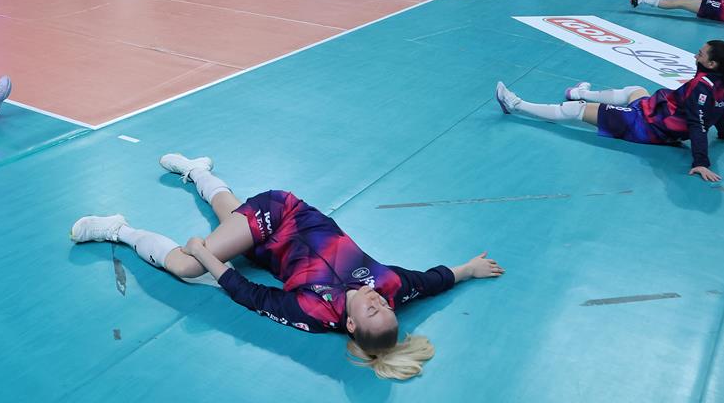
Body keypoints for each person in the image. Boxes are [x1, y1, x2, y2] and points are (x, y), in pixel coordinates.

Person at [70, 155, 503, 380]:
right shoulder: (391, 285)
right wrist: (469, 268)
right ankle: (120, 229)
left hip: (268, 251)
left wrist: (207, 255)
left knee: (217, 228)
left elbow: (252, 295)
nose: (378, 300)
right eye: (386, 307)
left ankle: (178, 185)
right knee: (187, 264)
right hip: (286, 213)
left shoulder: (316, 314)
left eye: (373, 310)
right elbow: (431, 281)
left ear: (351, 326)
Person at [494, 40, 724, 184]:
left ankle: (516, 105)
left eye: (700, 54)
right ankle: (580, 92)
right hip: (653, 110)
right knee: (636, 89)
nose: (695, 55)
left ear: (711, 63)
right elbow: (720, 112)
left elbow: (698, 125)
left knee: (575, 111)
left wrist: (701, 162)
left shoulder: (702, 89)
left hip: (645, 126)